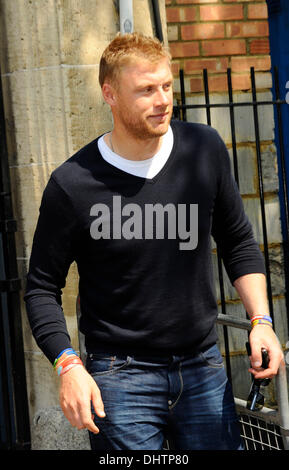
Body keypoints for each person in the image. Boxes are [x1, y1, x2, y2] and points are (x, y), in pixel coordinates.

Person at [24, 32, 283, 451]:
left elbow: (238, 242)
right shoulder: (72, 185)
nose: (163, 99)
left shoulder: (204, 149)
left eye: (166, 85)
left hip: (203, 367)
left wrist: (262, 322)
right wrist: (68, 364)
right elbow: (40, 288)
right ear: (109, 94)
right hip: (119, 377)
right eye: (146, 90)